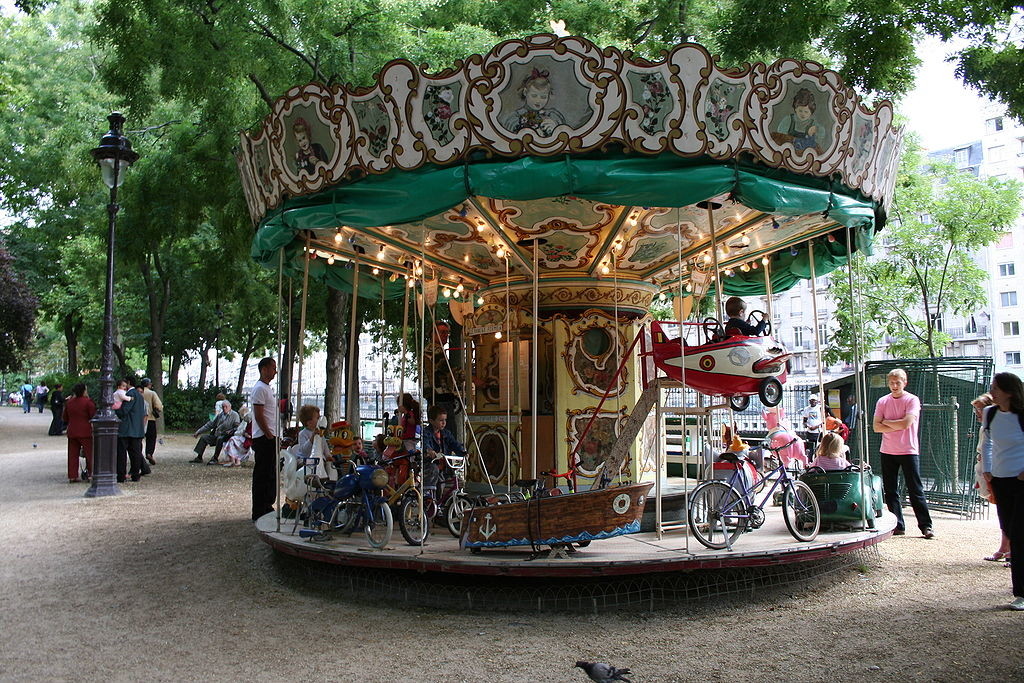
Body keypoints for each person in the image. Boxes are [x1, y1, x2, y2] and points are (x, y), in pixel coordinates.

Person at [981, 372, 1024, 610]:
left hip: (1021, 480)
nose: (992, 392)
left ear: (1009, 391)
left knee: (1019, 535)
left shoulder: (1021, 415)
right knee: (1008, 529)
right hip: (1000, 478)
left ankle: (1021, 593)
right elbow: (987, 442)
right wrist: (987, 470)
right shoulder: (991, 413)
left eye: (996, 388)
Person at [873, 368, 933, 539]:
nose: (894, 385)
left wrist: (886, 422)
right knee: (891, 490)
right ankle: (898, 525)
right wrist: (894, 424)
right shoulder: (882, 401)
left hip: (908, 450)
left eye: (897, 382)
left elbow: (906, 424)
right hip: (888, 450)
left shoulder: (912, 399)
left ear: (904, 382)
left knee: (916, 490)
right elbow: (876, 427)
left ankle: (926, 526)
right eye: (891, 382)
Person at [972, 393, 1010, 563]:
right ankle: (1005, 548)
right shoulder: (985, 426)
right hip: (987, 469)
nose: (977, 413)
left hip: (997, 471)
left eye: (979, 409)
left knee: (1007, 511)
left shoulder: (997, 424)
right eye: (976, 410)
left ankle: (1008, 550)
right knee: (1002, 511)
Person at [251, 357, 279, 521]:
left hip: (269, 436)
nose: (275, 371)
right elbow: (259, 415)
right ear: (264, 369)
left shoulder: (266, 388)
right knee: (263, 474)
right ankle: (259, 509)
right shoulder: (260, 389)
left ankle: (267, 505)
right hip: (264, 438)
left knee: (270, 473)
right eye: (273, 367)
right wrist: (268, 434)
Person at [501, 68, 567, 135]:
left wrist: (555, 129)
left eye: (543, 97)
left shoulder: (553, 116)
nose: (538, 101)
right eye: (534, 95)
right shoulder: (515, 118)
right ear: (525, 92)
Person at [115, 376, 148, 483]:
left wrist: (114, 411)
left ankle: (121, 475)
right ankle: (135, 474)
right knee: (135, 454)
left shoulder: (130, 395)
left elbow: (124, 411)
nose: (123, 387)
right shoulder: (140, 396)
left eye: (125, 384)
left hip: (126, 429)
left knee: (122, 453)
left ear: (129, 383)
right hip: (137, 429)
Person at [62, 383, 95, 483]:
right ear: (84, 391)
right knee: (90, 454)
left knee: (72, 454)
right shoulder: (88, 402)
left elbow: (65, 417)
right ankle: (91, 474)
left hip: (72, 430)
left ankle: (72, 475)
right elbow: (93, 416)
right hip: (85, 431)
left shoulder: (69, 403)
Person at [190, 400, 240, 465]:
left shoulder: (235, 415)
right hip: (217, 435)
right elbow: (210, 424)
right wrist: (198, 432)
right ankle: (199, 457)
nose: (224, 408)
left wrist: (231, 431)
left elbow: (237, 427)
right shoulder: (220, 415)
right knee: (204, 438)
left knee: (220, 438)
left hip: (227, 436)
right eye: (223, 407)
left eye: (226, 407)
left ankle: (215, 458)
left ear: (230, 407)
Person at [775, 87, 820, 151]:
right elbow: (780, 135)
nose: (803, 114)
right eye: (800, 111)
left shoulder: (812, 123)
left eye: (806, 112)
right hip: (788, 150)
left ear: (811, 112)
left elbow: (822, 134)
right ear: (795, 109)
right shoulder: (789, 119)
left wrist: (816, 129)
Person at [140, 378, 164, 466]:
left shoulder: (138, 392)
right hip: (150, 419)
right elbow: (159, 406)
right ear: (149, 384)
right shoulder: (152, 393)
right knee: (151, 438)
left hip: (139, 420)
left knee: (139, 438)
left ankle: (139, 455)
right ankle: (149, 453)